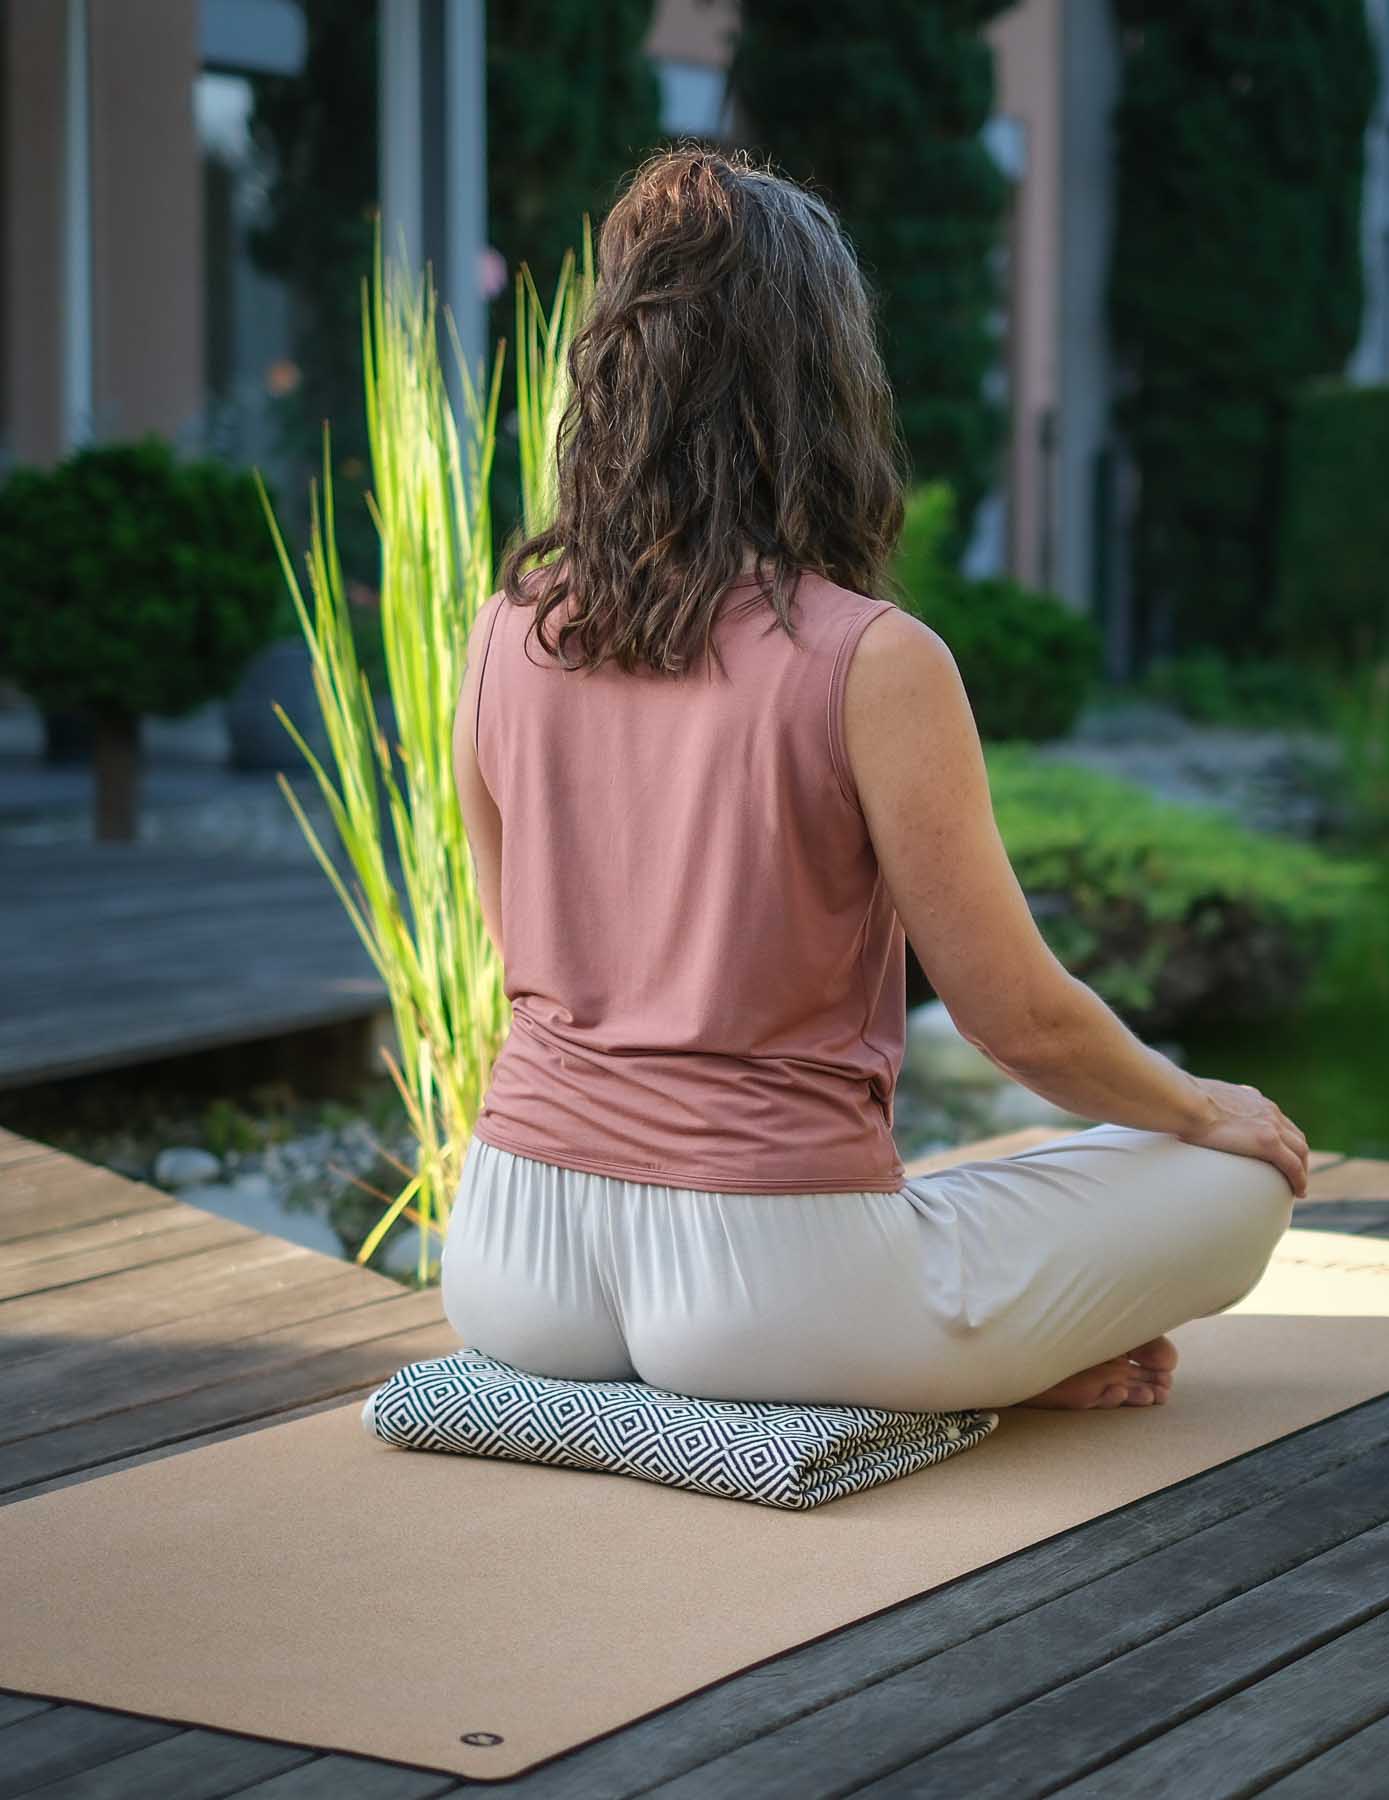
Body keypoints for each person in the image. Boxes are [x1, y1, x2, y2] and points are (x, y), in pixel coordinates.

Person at [440, 144, 1309, 1416]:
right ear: (826, 385)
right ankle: (974, 1358)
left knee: (957, 1198)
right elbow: (1017, 1018)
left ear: (615, 373)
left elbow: (514, 944)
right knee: (1236, 1181)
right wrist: (1202, 1105)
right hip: (773, 1302)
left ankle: (966, 1352)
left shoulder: (504, 630)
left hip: (513, 1264)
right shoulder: (870, 660)